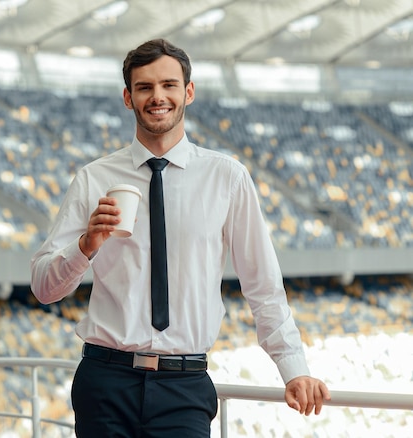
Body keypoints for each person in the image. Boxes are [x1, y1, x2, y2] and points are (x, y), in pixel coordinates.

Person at [30, 38, 330, 437]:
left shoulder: (228, 178)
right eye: (145, 87)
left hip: (183, 386)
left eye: (169, 85)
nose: (158, 97)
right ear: (127, 97)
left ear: (188, 92)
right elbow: (44, 288)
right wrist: (85, 245)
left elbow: (263, 286)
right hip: (104, 381)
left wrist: (295, 371)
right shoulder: (94, 178)